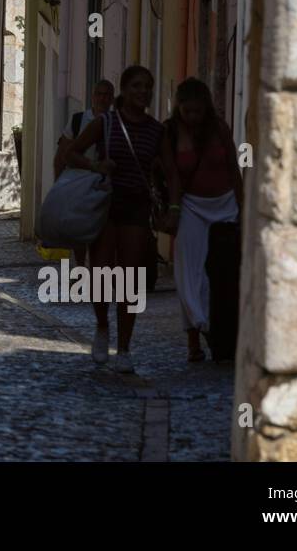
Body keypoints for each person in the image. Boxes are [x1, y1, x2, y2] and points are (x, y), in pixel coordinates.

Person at [64, 65, 164, 374]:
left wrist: (170, 205)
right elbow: (72, 152)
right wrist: (97, 167)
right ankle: (102, 326)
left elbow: (167, 168)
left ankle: (124, 348)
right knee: (102, 273)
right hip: (105, 204)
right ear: (124, 89)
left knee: (130, 279)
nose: (142, 92)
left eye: (147, 86)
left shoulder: (155, 130)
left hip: (136, 208)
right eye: (136, 86)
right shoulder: (105, 122)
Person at [160, 77, 243, 363]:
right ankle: (196, 333)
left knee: (224, 273)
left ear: (206, 108)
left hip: (225, 204)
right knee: (189, 273)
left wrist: (243, 209)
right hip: (192, 206)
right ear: (178, 108)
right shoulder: (170, 132)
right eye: (187, 111)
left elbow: (234, 168)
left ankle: (222, 332)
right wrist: (172, 209)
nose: (193, 117)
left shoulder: (219, 128)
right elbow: (171, 174)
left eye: (197, 111)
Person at [53, 78, 116, 267]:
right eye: (99, 94)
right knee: (80, 227)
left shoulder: (116, 122)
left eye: (107, 95)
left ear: (112, 98)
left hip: (106, 184)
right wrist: (59, 186)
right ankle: (80, 268)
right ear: (93, 96)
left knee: (103, 229)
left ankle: (100, 267)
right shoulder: (78, 120)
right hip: (80, 182)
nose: (103, 99)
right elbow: (61, 154)